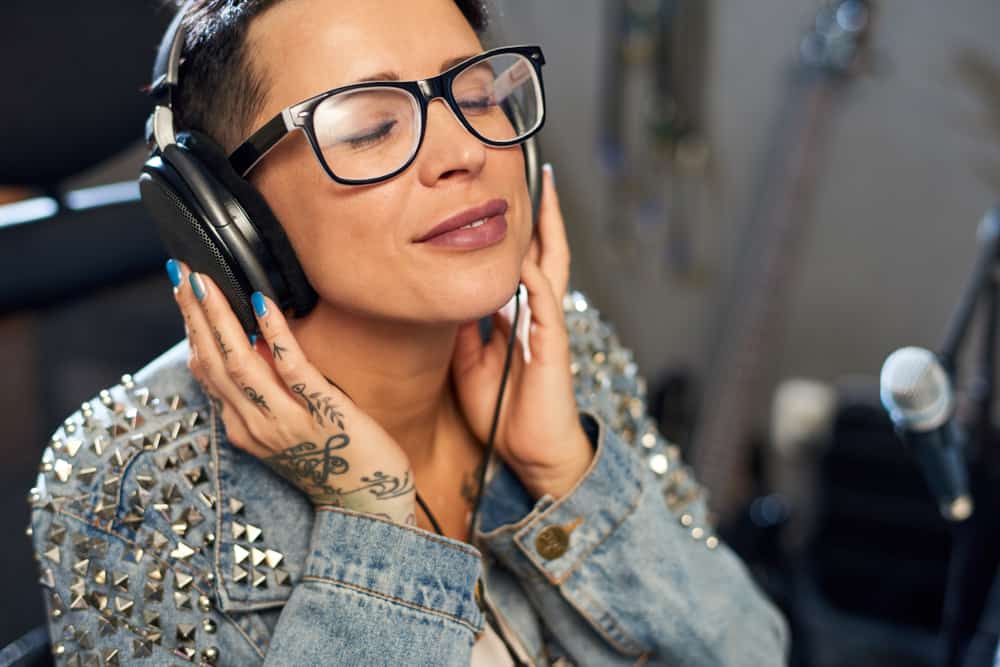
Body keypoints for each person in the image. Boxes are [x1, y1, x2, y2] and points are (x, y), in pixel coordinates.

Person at [27, 0, 789, 664]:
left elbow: (752, 650)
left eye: (479, 95)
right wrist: (371, 519)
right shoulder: (135, 472)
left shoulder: (555, 349)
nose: (467, 152)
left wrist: (567, 468)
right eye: (370, 128)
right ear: (228, 218)